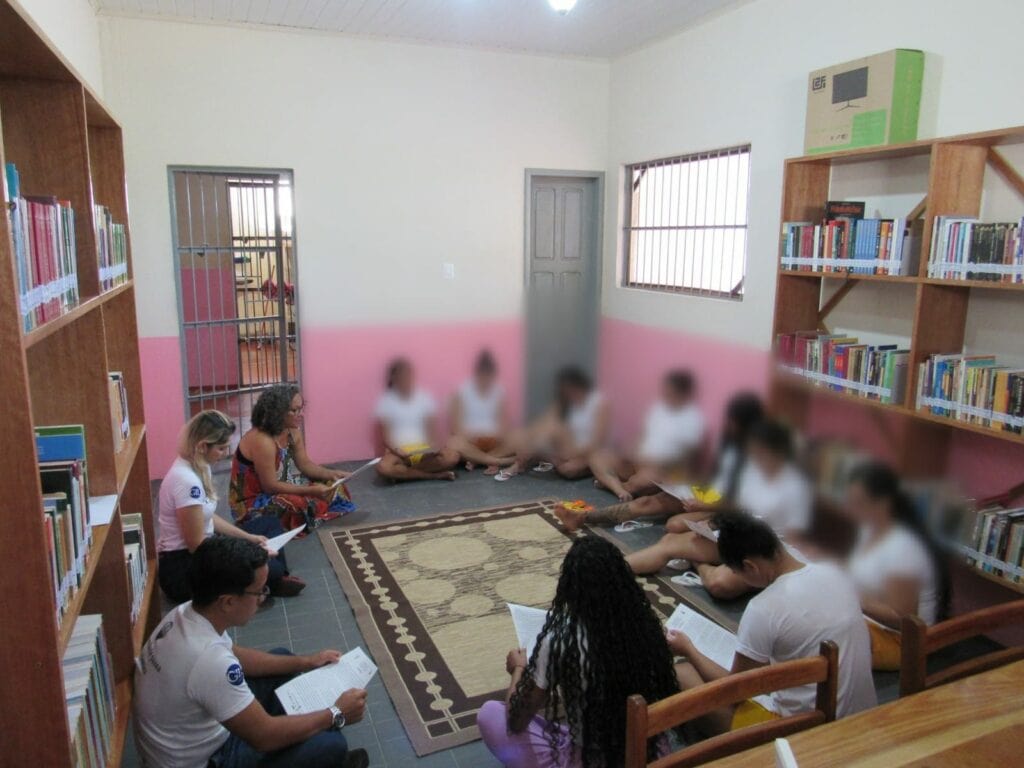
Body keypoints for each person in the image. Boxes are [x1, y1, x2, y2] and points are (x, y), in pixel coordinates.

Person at [134, 536, 370, 768]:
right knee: (331, 745)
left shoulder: (188, 612)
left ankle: (306, 740)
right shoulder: (209, 661)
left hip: (191, 738)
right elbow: (263, 737)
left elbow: (235, 654)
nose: (262, 598)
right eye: (258, 592)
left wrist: (307, 661)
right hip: (208, 758)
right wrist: (336, 713)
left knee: (284, 658)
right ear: (227, 602)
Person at [668, 511, 876, 739]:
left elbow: (735, 691)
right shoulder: (835, 572)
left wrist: (688, 648)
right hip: (863, 718)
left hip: (804, 734)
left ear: (750, 567)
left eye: (736, 572)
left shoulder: (763, 608)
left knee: (683, 673)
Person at [477, 536, 681, 768]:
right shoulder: (646, 625)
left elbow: (516, 719)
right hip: (651, 752)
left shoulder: (561, 640)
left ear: (571, 589)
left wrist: (518, 668)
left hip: (588, 759)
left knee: (490, 713)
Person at [623, 420, 812, 600]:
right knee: (669, 542)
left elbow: (796, 538)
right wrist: (717, 523)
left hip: (772, 551)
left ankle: (697, 562)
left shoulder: (798, 488)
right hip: (744, 535)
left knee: (719, 584)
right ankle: (608, 568)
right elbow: (739, 506)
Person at [556, 392, 762, 532]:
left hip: (721, 506)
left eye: (734, 422)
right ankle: (583, 518)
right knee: (646, 502)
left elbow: (740, 501)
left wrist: (702, 504)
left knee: (674, 526)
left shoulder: (757, 457)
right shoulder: (727, 441)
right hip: (699, 493)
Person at [158, 410, 302, 603]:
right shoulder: (187, 481)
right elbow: (197, 545)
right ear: (202, 446)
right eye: (221, 448)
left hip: (206, 548)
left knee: (268, 525)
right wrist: (245, 551)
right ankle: (269, 580)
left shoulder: (199, 466)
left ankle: (268, 582)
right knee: (266, 563)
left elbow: (207, 517)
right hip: (186, 567)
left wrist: (249, 538)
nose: (226, 453)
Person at [844, 461, 948, 670]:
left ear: (882, 504)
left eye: (858, 502)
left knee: (815, 635)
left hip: (901, 642)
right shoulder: (869, 529)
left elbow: (904, 619)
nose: (849, 507)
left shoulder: (904, 548)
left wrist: (854, 598)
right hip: (870, 623)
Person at [230, 384, 354, 533]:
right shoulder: (263, 440)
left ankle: (311, 511)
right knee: (295, 503)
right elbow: (269, 486)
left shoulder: (293, 431)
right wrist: (311, 491)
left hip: (284, 485)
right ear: (278, 413)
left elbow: (305, 465)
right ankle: (308, 513)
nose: (300, 414)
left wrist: (333, 474)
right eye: (294, 410)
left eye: (301, 408)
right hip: (254, 500)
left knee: (336, 487)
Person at [588, 369, 704, 502]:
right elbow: (643, 434)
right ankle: (620, 490)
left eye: (670, 390)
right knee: (597, 457)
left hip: (659, 469)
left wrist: (655, 463)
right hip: (636, 461)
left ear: (682, 393)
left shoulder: (693, 419)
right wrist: (630, 449)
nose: (665, 393)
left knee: (643, 481)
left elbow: (685, 459)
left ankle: (614, 485)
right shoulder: (659, 407)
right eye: (665, 389)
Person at [496, 367, 610, 481]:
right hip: (566, 446)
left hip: (585, 451)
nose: (568, 393)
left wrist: (574, 455)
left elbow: (596, 443)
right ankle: (518, 464)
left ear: (579, 385)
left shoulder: (599, 402)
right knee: (531, 432)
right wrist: (528, 438)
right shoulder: (566, 401)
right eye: (565, 390)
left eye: (570, 389)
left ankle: (526, 460)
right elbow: (543, 423)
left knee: (567, 469)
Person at [374, 358, 463, 482]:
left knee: (452, 457)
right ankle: (434, 476)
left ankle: (403, 474)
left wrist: (432, 448)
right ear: (393, 378)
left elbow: (431, 434)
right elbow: (387, 438)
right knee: (383, 467)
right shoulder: (385, 402)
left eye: (407, 374)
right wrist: (400, 452)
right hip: (399, 452)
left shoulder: (424, 398)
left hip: (423, 451)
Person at [447, 349, 518, 474]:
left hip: (494, 441)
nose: (485, 379)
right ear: (476, 373)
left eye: (489, 375)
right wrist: (472, 437)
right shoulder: (461, 391)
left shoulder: (499, 391)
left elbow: (503, 424)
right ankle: (498, 461)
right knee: (453, 443)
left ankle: (478, 460)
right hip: (471, 442)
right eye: (482, 374)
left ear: (493, 374)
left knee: (520, 438)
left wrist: (495, 435)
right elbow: (456, 428)